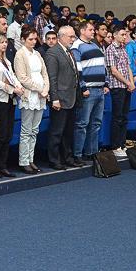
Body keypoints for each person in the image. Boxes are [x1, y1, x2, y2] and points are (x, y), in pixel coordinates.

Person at [70, 21, 108, 162]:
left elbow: (103, 65)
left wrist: (106, 83)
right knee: (82, 124)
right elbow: (77, 69)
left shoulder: (95, 45)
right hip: (88, 90)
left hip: (100, 89)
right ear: (82, 31)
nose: (93, 32)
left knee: (96, 123)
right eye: (91, 30)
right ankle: (78, 154)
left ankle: (92, 152)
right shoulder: (77, 46)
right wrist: (83, 87)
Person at [13, 26, 49, 174]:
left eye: (35, 39)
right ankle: (23, 161)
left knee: (35, 130)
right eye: (30, 39)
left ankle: (31, 159)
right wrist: (39, 89)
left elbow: (45, 73)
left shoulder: (38, 54)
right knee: (26, 130)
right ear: (23, 40)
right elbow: (22, 78)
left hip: (41, 95)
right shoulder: (20, 54)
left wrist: (46, 89)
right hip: (29, 95)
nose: (34, 42)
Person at [44, 26, 80, 169]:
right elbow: (52, 78)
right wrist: (54, 98)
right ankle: (54, 160)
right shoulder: (53, 53)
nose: (73, 39)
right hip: (60, 98)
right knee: (57, 132)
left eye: (73, 36)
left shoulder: (69, 51)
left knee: (68, 132)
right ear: (62, 36)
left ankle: (67, 158)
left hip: (71, 97)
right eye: (70, 37)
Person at [0, 33, 22, 177]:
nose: (4, 45)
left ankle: (3, 165)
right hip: (0, 99)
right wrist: (12, 89)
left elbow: (13, 76)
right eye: (1, 42)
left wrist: (19, 87)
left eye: (6, 42)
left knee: (8, 134)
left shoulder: (6, 60)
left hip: (10, 99)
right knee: (1, 133)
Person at [105, 24, 136, 157]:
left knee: (124, 117)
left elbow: (128, 67)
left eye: (125, 34)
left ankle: (122, 144)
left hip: (126, 86)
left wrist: (132, 83)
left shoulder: (123, 48)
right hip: (117, 87)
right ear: (115, 35)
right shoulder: (110, 49)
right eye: (122, 35)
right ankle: (115, 146)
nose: (125, 37)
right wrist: (128, 82)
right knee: (117, 117)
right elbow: (114, 71)